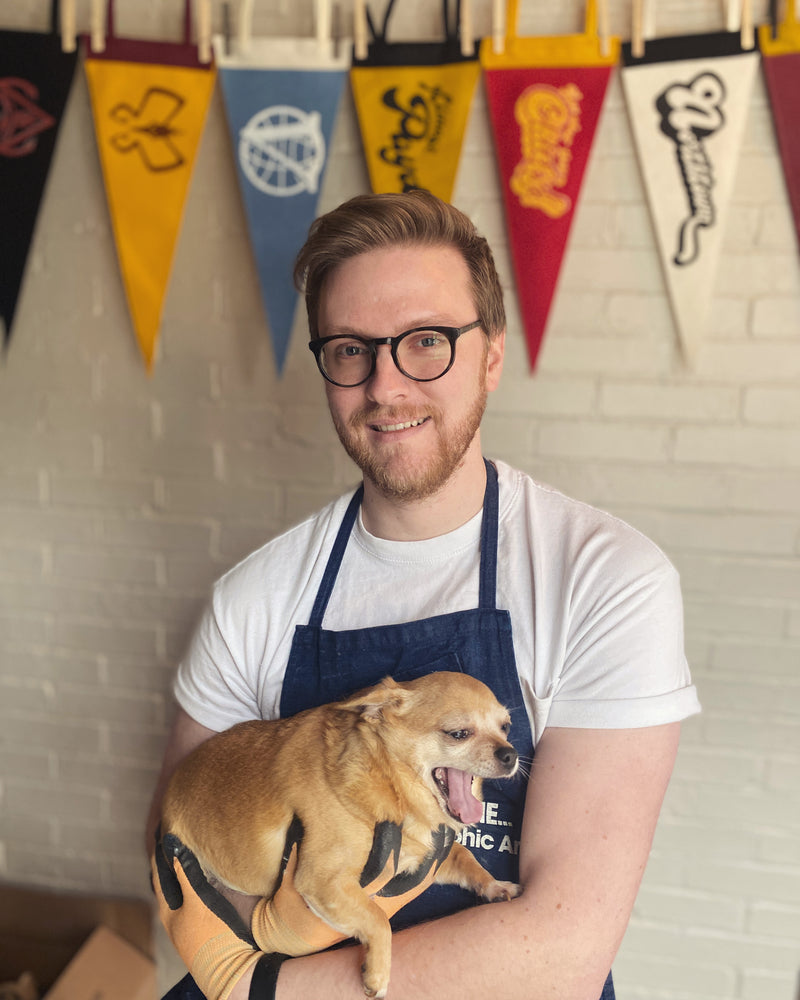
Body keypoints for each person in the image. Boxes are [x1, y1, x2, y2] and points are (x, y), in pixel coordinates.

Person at [146, 190, 701, 1000]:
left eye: (427, 342)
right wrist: (253, 943)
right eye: (350, 350)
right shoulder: (253, 599)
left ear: (492, 354)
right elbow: (180, 842)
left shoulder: (603, 578)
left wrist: (266, 991)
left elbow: (562, 947)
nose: (385, 385)